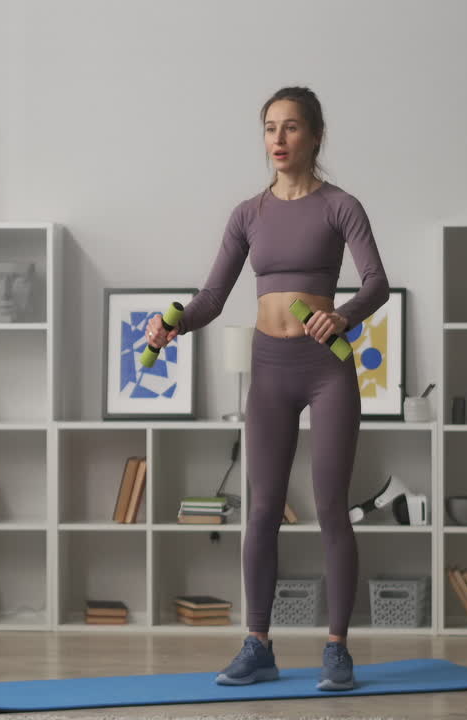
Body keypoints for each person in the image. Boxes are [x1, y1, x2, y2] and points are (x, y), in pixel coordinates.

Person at [146, 86, 389, 692]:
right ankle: (258, 645)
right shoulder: (247, 214)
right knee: (261, 509)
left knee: (332, 506)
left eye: (291, 128)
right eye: (269, 128)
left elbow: (377, 283)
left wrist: (344, 315)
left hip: (326, 368)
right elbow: (210, 297)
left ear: (316, 136)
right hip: (271, 368)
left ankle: (337, 649)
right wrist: (170, 321)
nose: (277, 140)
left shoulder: (341, 206)